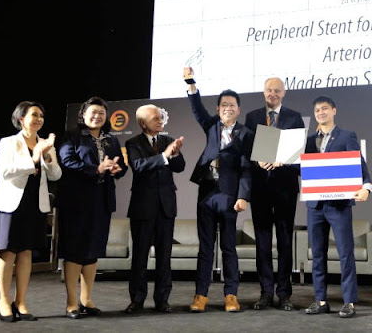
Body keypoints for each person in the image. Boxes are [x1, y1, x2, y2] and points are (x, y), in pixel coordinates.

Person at [183, 67, 253, 313]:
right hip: (207, 194)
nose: (227, 108)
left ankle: (231, 295)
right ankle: (200, 295)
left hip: (229, 196)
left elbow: (246, 168)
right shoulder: (211, 125)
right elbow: (197, 109)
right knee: (205, 247)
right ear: (218, 108)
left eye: (232, 105)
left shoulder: (246, 134)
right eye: (224, 105)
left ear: (238, 109)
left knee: (228, 248)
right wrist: (191, 83)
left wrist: (243, 196)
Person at [0, 101, 62, 322]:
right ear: (21, 118)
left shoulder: (46, 144)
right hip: (11, 203)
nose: (39, 119)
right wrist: (34, 158)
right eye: (34, 115)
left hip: (34, 204)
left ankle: (20, 301)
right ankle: (4, 301)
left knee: (26, 253)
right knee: (8, 252)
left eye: (41, 115)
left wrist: (46, 156)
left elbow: (56, 175)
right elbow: (4, 171)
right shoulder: (9, 142)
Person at [57, 96, 128, 319]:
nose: (97, 116)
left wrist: (117, 169)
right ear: (83, 115)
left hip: (101, 201)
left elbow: (121, 164)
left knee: (93, 251)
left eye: (101, 113)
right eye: (93, 112)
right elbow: (67, 162)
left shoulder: (111, 140)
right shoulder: (72, 135)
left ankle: (86, 300)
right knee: (74, 251)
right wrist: (96, 169)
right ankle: (71, 302)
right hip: (76, 202)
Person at [303, 96, 372, 319]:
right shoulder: (308, 140)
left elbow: (359, 163)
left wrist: (366, 186)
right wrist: (280, 161)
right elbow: (301, 167)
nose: (321, 112)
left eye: (325, 108)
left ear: (334, 111)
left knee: (345, 253)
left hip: (339, 204)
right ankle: (320, 300)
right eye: (317, 110)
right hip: (315, 205)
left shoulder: (346, 136)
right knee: (317, 254)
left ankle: (349, 301)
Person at [245, 77, 305, 311]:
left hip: (285, 188)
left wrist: (284, 161)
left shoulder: (294, 117)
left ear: (284, 93)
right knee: (262, 243)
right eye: (269, 90)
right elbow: (246, 150)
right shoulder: (252, 117)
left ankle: (284, 294)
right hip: (260, 188)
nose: (273, 94)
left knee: (284, 242)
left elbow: (299, 153)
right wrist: (258, 161)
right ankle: (266, 293)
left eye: (277, 90)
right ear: (263, 92)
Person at [124, 105, 185, 314]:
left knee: (164, 257)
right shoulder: (133, 143)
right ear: (143, 123)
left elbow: (180, 167)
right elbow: (138, 166)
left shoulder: (168, 141)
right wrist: (164, 156)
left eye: (161, 118)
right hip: (142, 207)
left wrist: (175, 154)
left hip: (166, 207)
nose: (160, 121)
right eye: (155, 118)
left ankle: (162, 300)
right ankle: (137, 299)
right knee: (140, 256)